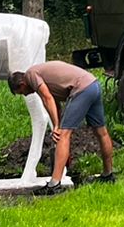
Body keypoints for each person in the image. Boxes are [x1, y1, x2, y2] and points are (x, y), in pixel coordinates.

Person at [8, 61, 114, 195]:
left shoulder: (31, 75)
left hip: (81, 89)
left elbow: (47, 99)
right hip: (93, 85)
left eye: (21, 92)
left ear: (22, 84)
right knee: (101, 132)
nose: (25, 95)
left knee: (64, 134)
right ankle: (108, 175)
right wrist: (55, 124)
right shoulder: (42, 76)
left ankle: (54, 184)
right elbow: (54, 103)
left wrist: (57, 127)